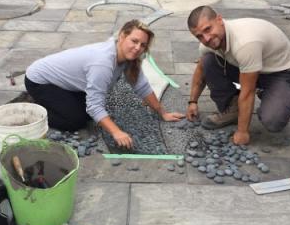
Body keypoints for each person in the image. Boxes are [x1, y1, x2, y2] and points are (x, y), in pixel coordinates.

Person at [25, 19, 184, 149]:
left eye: (143, 45)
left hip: (64, 84)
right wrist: (117, 132)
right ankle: (34, 109)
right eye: (134, 41)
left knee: (90, 113)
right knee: (75, 121)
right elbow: (94, 105)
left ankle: (52, 102)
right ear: (122, 36)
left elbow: (142, 86)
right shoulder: (103, 63)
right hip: (39, 80)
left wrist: (162, 113)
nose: (137, 48)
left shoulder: (128, 58)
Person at [186, 6, 290, 145]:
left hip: (281, 72)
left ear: (219, 20)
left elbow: (248, 92)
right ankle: (233, 109)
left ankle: (285, 93)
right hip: (252, 66)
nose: (206, 38)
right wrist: (192, 102)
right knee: (208, 61)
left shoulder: (245, 43)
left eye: (208, 29)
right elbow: (200, 71)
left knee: (273, 121)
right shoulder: (208, 44)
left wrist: (242, 132)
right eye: (199, 36)